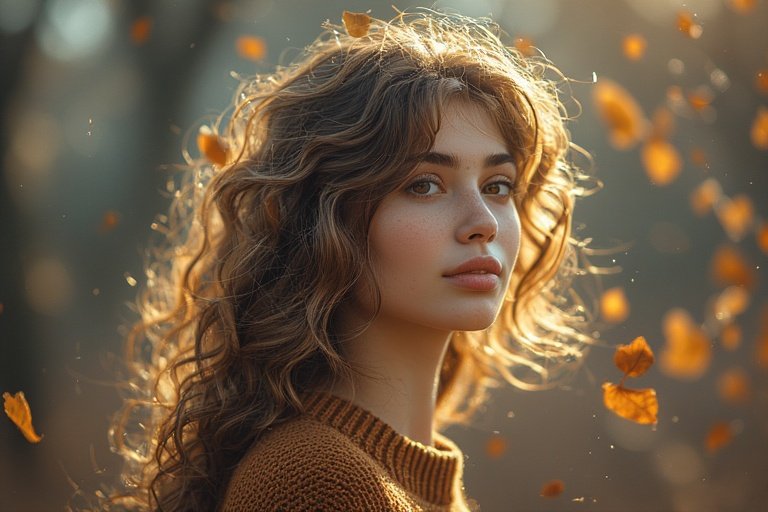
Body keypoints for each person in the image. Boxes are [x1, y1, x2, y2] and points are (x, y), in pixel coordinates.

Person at [108, 8, 595, 511]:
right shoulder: (316, 481)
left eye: (498, 186)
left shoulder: (408, 477)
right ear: (322, 221)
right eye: (423, 185)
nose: (484, 222)